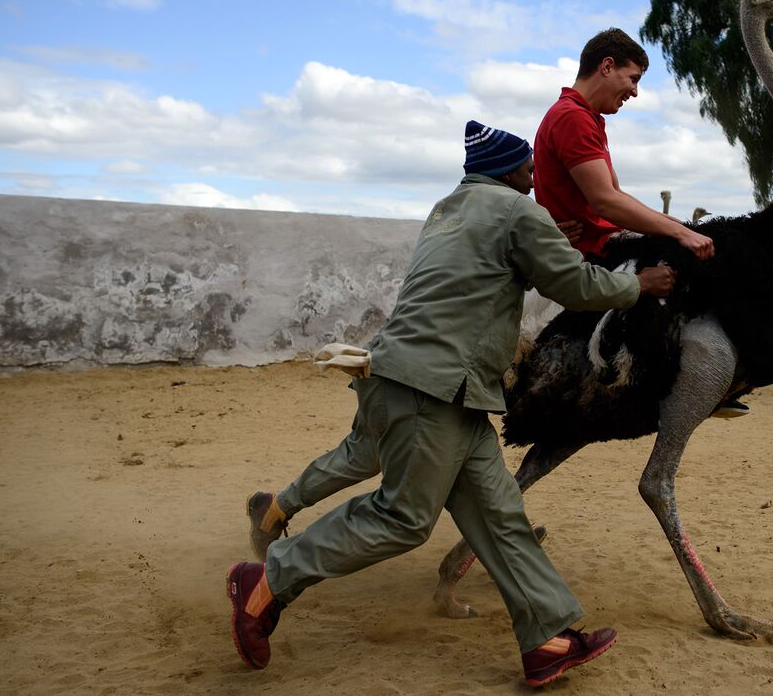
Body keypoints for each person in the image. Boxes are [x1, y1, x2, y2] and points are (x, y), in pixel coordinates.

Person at [226, 120, 677, 687]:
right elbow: (575, 286)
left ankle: (546, 638)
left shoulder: (449, 210)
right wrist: (642, 285)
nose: (535, 180)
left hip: (440, 390)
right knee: (404, 518)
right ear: (509, 171)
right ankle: (266, 578)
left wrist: (543, 236)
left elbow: (488, 270)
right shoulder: (517, 212)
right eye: (529, 171)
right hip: (430, 389)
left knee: (500, 517)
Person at [532, 27, 773, 417]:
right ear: (606, 66)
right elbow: (607, 201)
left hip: (604, 239)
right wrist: (682, 231)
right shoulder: (573, 119)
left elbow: (611, 199)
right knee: (722, 257)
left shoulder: (586, 119)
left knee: (717, 244)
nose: (634, 91)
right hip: (596, 251)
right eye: (632, 79)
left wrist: (675, 225)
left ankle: (716, 379)